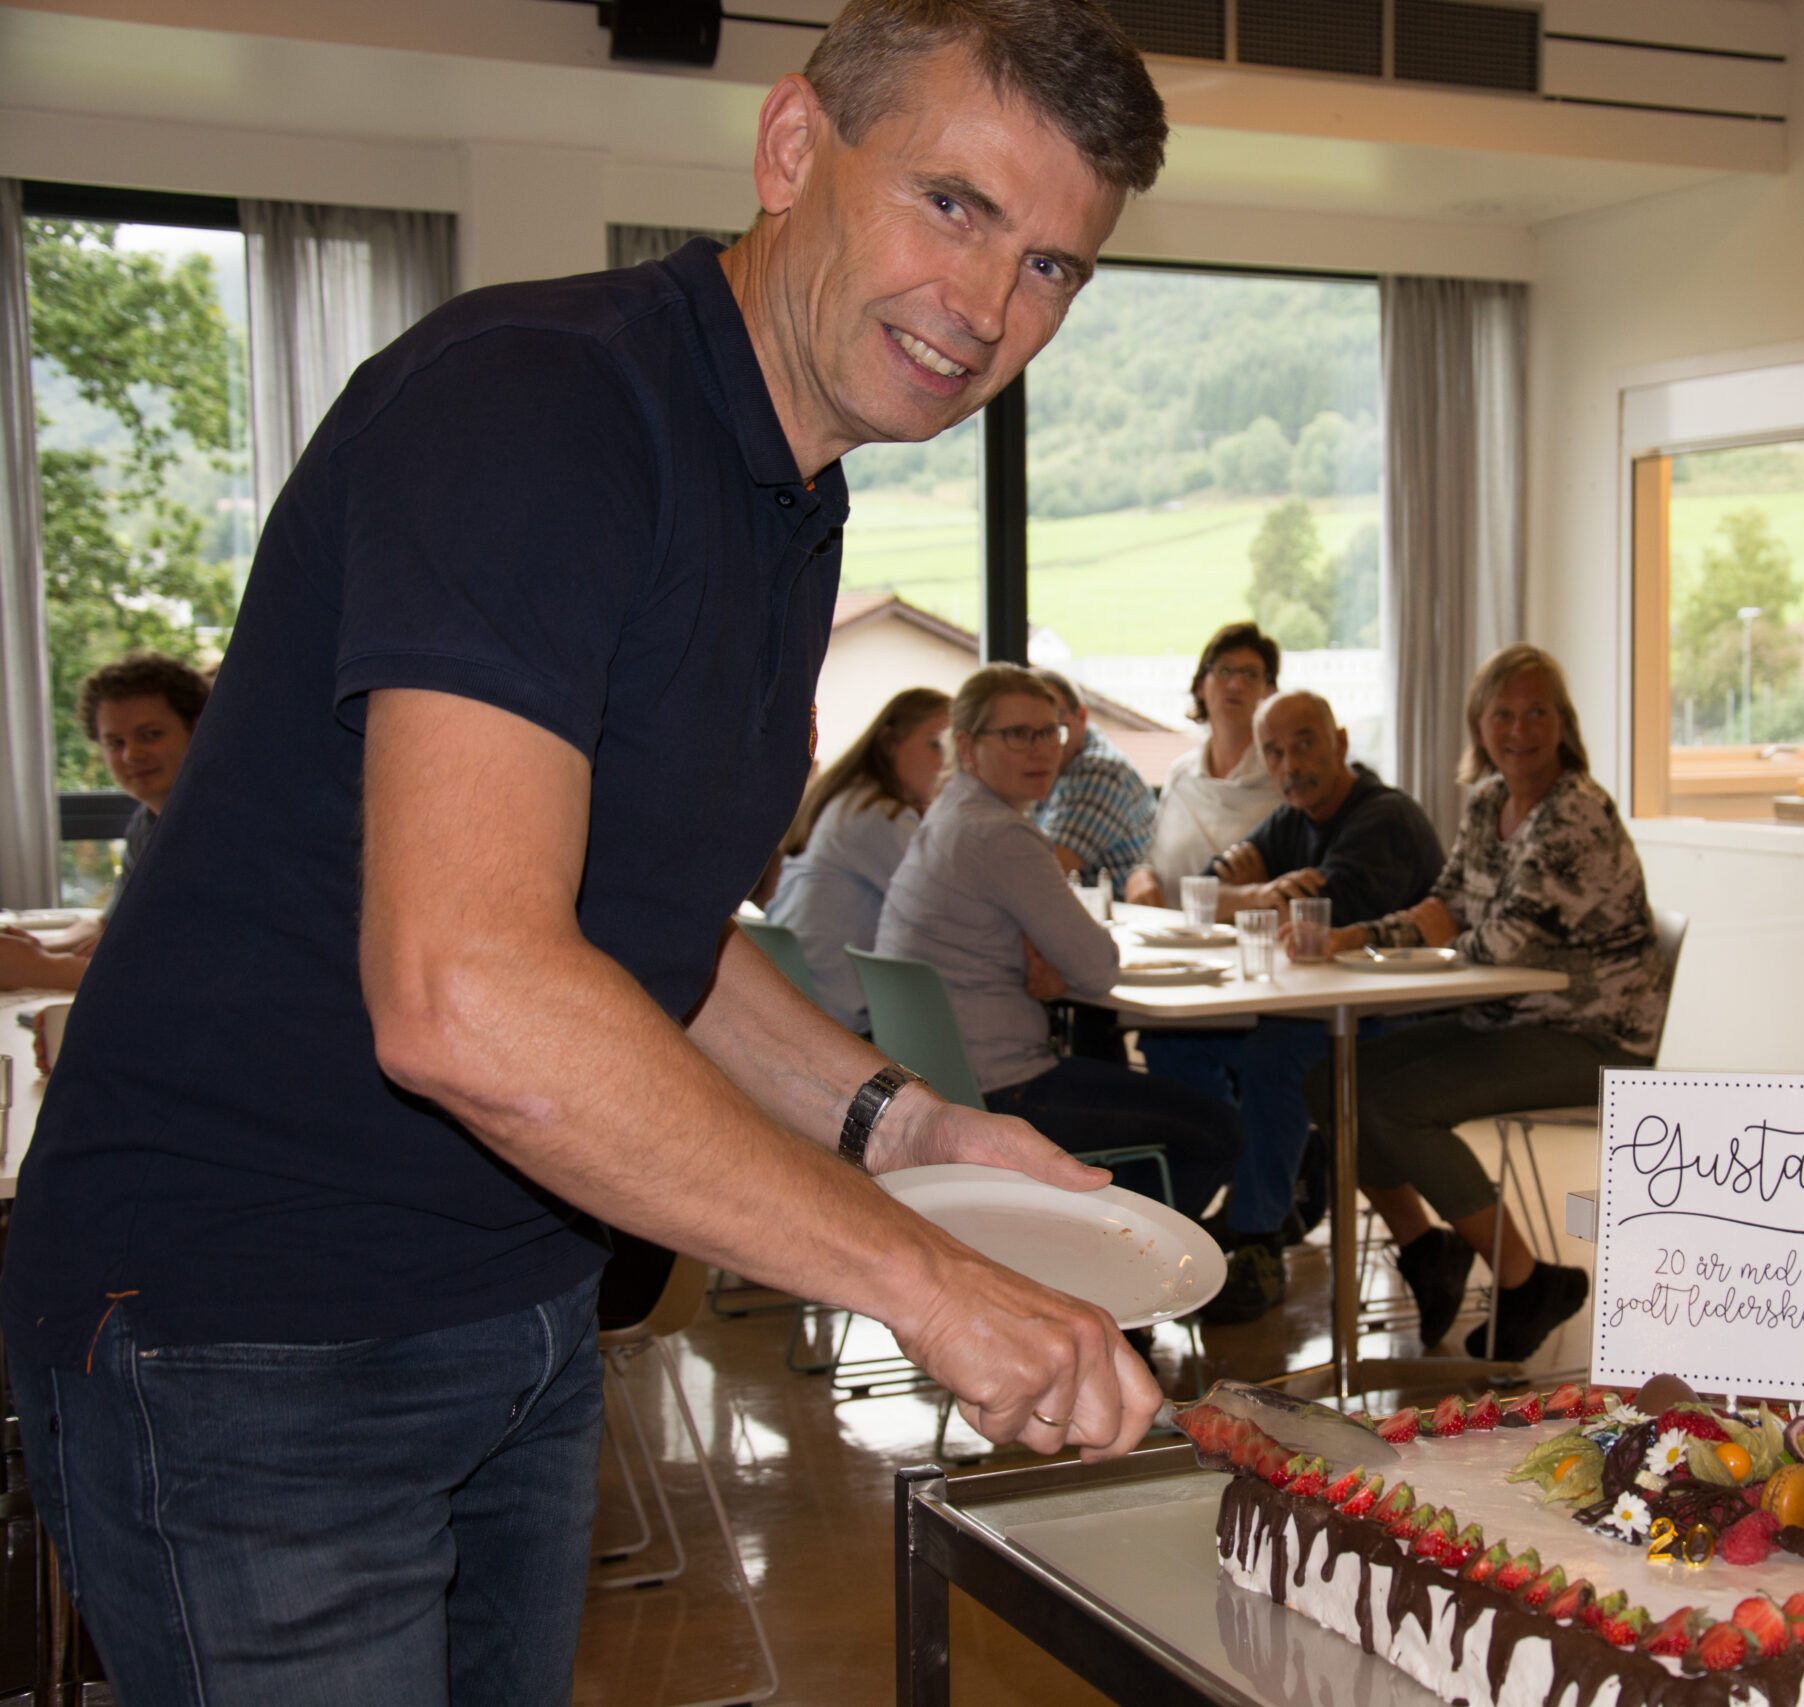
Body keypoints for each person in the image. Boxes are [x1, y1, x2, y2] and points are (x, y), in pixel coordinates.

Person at [1, 5, 1170, 1700]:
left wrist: (907, 1125)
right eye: (953, 205)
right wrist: (919, 1276)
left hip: (512, 1297)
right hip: (249, 1320)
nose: (990, 309)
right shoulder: (541, 407)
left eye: (1055, 265)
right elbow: (469, 992)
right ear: (789, 154)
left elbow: (633, 929)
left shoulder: (788, 490)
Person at [1310, 645, 1669, 1362]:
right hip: (1508, 1017)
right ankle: (1426, 1249)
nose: (1520, 728)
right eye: (1502, 713)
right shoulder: (1487, 803)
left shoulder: (1576, 812)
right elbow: (1448, 904)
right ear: (1479, 725)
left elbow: (1503, 942)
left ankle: (1526, 1278)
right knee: (1331, 1079)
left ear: (1562, 723)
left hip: (1595, 1036)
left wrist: (1402, 940)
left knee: (1396, 1101)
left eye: (1538, 711)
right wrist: (1350, 937)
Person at [877, 666, 1241, 1217]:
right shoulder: (1000, 833)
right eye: (1018, 734)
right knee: (1220, 1129)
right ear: (967, 747)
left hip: (935, 1083)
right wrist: (1059, 963)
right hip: (1000, 1091)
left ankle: (1071, 1254)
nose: (1041, 749)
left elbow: (1067, 963)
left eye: (1051, 732)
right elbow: (1097, 967)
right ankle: (1105, 1274)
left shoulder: (951, 814)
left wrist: (1052, 964)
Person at [1144, 690, 1442, 1321]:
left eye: (1304, 743)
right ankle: (1247, 1184)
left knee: (1274, 1057)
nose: (1288, 764)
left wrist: (1260, 896)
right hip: (1321, 1007)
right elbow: (1207, 886)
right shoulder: (1292, 818)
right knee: (1172, 1040)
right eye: (1273, 752)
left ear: (1339, 741)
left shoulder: (1380, 817)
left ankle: (1256, 1238)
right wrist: (1262, 890)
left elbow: (1323, 917)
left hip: (1405, 1019)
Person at [0, 651, 211, 992]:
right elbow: (110, 924)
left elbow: (188, 975)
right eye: (115, 743)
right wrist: (37, 950)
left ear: (199, 728)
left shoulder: (226, 827)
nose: (131, 755)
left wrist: (39, 968)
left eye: (151, 734)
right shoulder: (147, 823)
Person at [766, 685, 952, 1032]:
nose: (946, 762)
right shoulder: (879, 817)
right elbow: (949, 914)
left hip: (806, 1001)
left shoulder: (850, 800)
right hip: (843, 1020)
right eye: (936, 745)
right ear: (889, 742)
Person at [1123, 622, 1280, 906]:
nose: (1235, 684)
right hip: (1171, 935)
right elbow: (1153, 857)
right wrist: (1141, 877)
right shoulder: (1181, 773)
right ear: (1199, 686)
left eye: (1250, 674)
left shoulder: (1280, 777)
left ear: (1268, 692)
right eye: (1224, 671)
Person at [1030, 666, 1154, 896]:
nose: (1043, 745)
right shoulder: (1053, 763)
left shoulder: (1101, 770)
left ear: (1082, 717)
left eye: (1055, 728)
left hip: (1123, 920)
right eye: (1027, 732)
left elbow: (1043, 871)